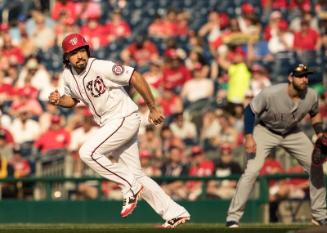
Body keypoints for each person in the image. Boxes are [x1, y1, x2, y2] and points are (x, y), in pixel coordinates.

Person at [48, 33, 190, 228]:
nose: (79, 55)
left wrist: (153, 107)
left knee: (88, 153)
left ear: (87, 50)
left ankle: (129, 186)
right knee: (137, 175)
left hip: (124, 118)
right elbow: (72, 101)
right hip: (111, 124)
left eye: (82, 50)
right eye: (74, 53)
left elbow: (135, 76)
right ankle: (175, 212)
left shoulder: (99, 66)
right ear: (66, 57)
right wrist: (58, 100)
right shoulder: (68, 75)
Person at [226, 64, 327, 227]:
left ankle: (319, 215)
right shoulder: (271, 93)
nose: (304, 79)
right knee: (251, 171)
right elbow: (249, 111)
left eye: (306, 76)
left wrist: (320, 132)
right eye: (300, 76)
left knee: (316, 167)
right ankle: (233, 217)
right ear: (290, 78)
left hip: (292, 132)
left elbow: (314, 114)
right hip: (266, 130)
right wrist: (249, 136)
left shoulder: (312, 95)